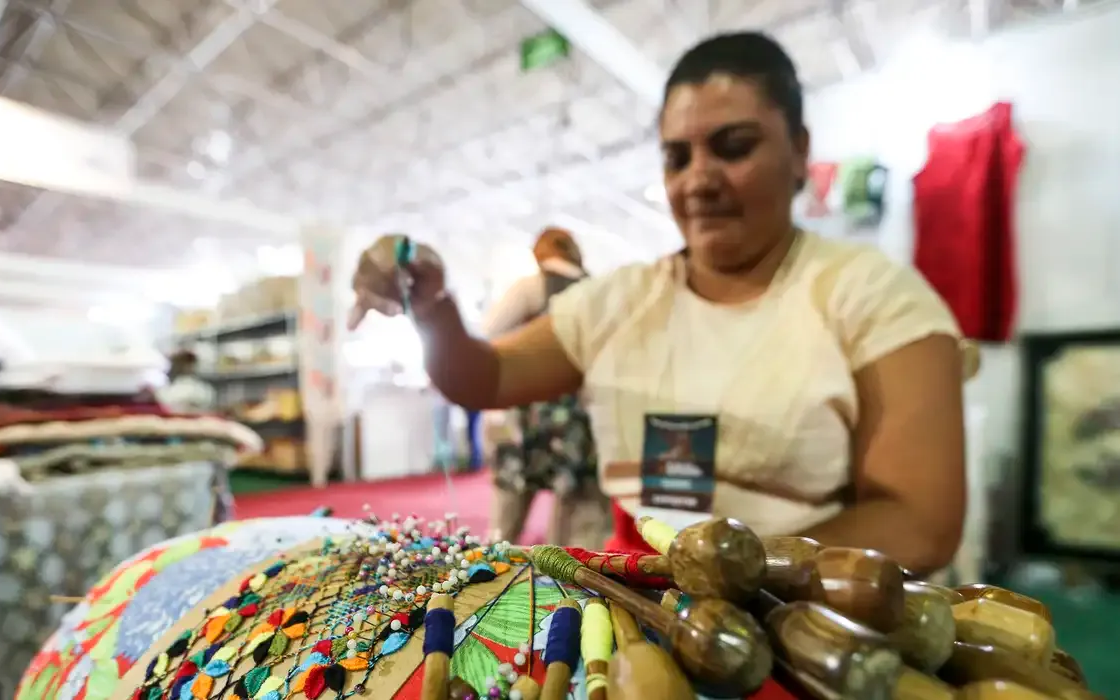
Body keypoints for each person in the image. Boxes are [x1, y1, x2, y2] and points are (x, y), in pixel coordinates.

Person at [348, 32, 969, 574]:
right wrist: (431, 307)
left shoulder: (876, 298)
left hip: (812, 617)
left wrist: (734, 574)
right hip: (639, 603)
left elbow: (919, 523)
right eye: (677, 157)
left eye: (733, 146)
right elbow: (483, 375)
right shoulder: (619, 301)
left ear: (800, 150)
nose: (698, 178)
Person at [477, 227, 608, 548]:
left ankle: (488, 576)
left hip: (527, 419)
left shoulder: (531, 287)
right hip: (581, 421)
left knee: (505, 523)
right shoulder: (597, 291)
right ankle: (566, 591)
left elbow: (486, 335)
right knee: (577, 530)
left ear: (540, 252)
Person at [156, 349, 215, 414]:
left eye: (190, 363)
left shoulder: (203, 389)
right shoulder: (166, 390)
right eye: (183, 362)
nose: (187, 366)